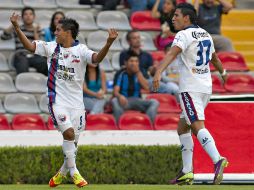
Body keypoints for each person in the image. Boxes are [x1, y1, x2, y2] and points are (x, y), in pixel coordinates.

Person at [9, 12, 118, 188]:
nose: (55, 32)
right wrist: (16, 26)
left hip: (77, 105)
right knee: (68, 134)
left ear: (68, 32)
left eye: (58, 30)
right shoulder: (51, 48)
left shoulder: (81, 50)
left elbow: (96, 59)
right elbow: (29, 47)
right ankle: (75, 173)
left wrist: (109, 43)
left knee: (72, 145)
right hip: (57, 101)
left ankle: (61, 174)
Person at [153, 3, 228, 185]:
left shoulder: (183, 34)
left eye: (176, 15)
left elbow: (172, 54)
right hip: (205, 88)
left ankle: (217, 159)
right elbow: (215, 58)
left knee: (196, 125)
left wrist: (158, 72)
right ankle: (187, 172)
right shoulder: (205, 34)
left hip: (190, 89)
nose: (173, 18)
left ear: (186, 18)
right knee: (182, 128)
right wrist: (223, 73)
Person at [120, 30, 178, 95]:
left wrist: (154, 68)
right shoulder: (124, 54)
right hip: (133, 80)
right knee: (168, 89)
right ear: (128, 41)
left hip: (148, 79)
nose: (138, 40)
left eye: (138, 37)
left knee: (169, 86)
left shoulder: (147, 55)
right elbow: (124, 69)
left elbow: (151, 72)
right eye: (134, 38)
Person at [112, 51, 159, 123]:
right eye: (131, 61)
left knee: (154, 102)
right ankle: (119, 123)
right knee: (114, 100)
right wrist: (119, 96)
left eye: (136, 61)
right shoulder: (120, 73)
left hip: (138, 100)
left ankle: (149, 123)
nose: (134, 63)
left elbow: (147, 87)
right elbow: (115, 91)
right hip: (125, 101)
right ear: (125, 63)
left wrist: (137, 72)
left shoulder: (140, 72)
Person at [1, 7, 48, 76]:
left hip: (35, 56)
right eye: (25, 14)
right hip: (20, 55)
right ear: (22, 17)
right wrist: (14, 24)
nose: (28, 16)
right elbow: (4, 37)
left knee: (45, 64)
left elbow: (40, 47)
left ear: (34, 17)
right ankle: (23, 85)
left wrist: (35, 31)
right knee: (22, 64)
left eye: (30, 14)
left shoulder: (38, 30)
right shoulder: (18, 29)